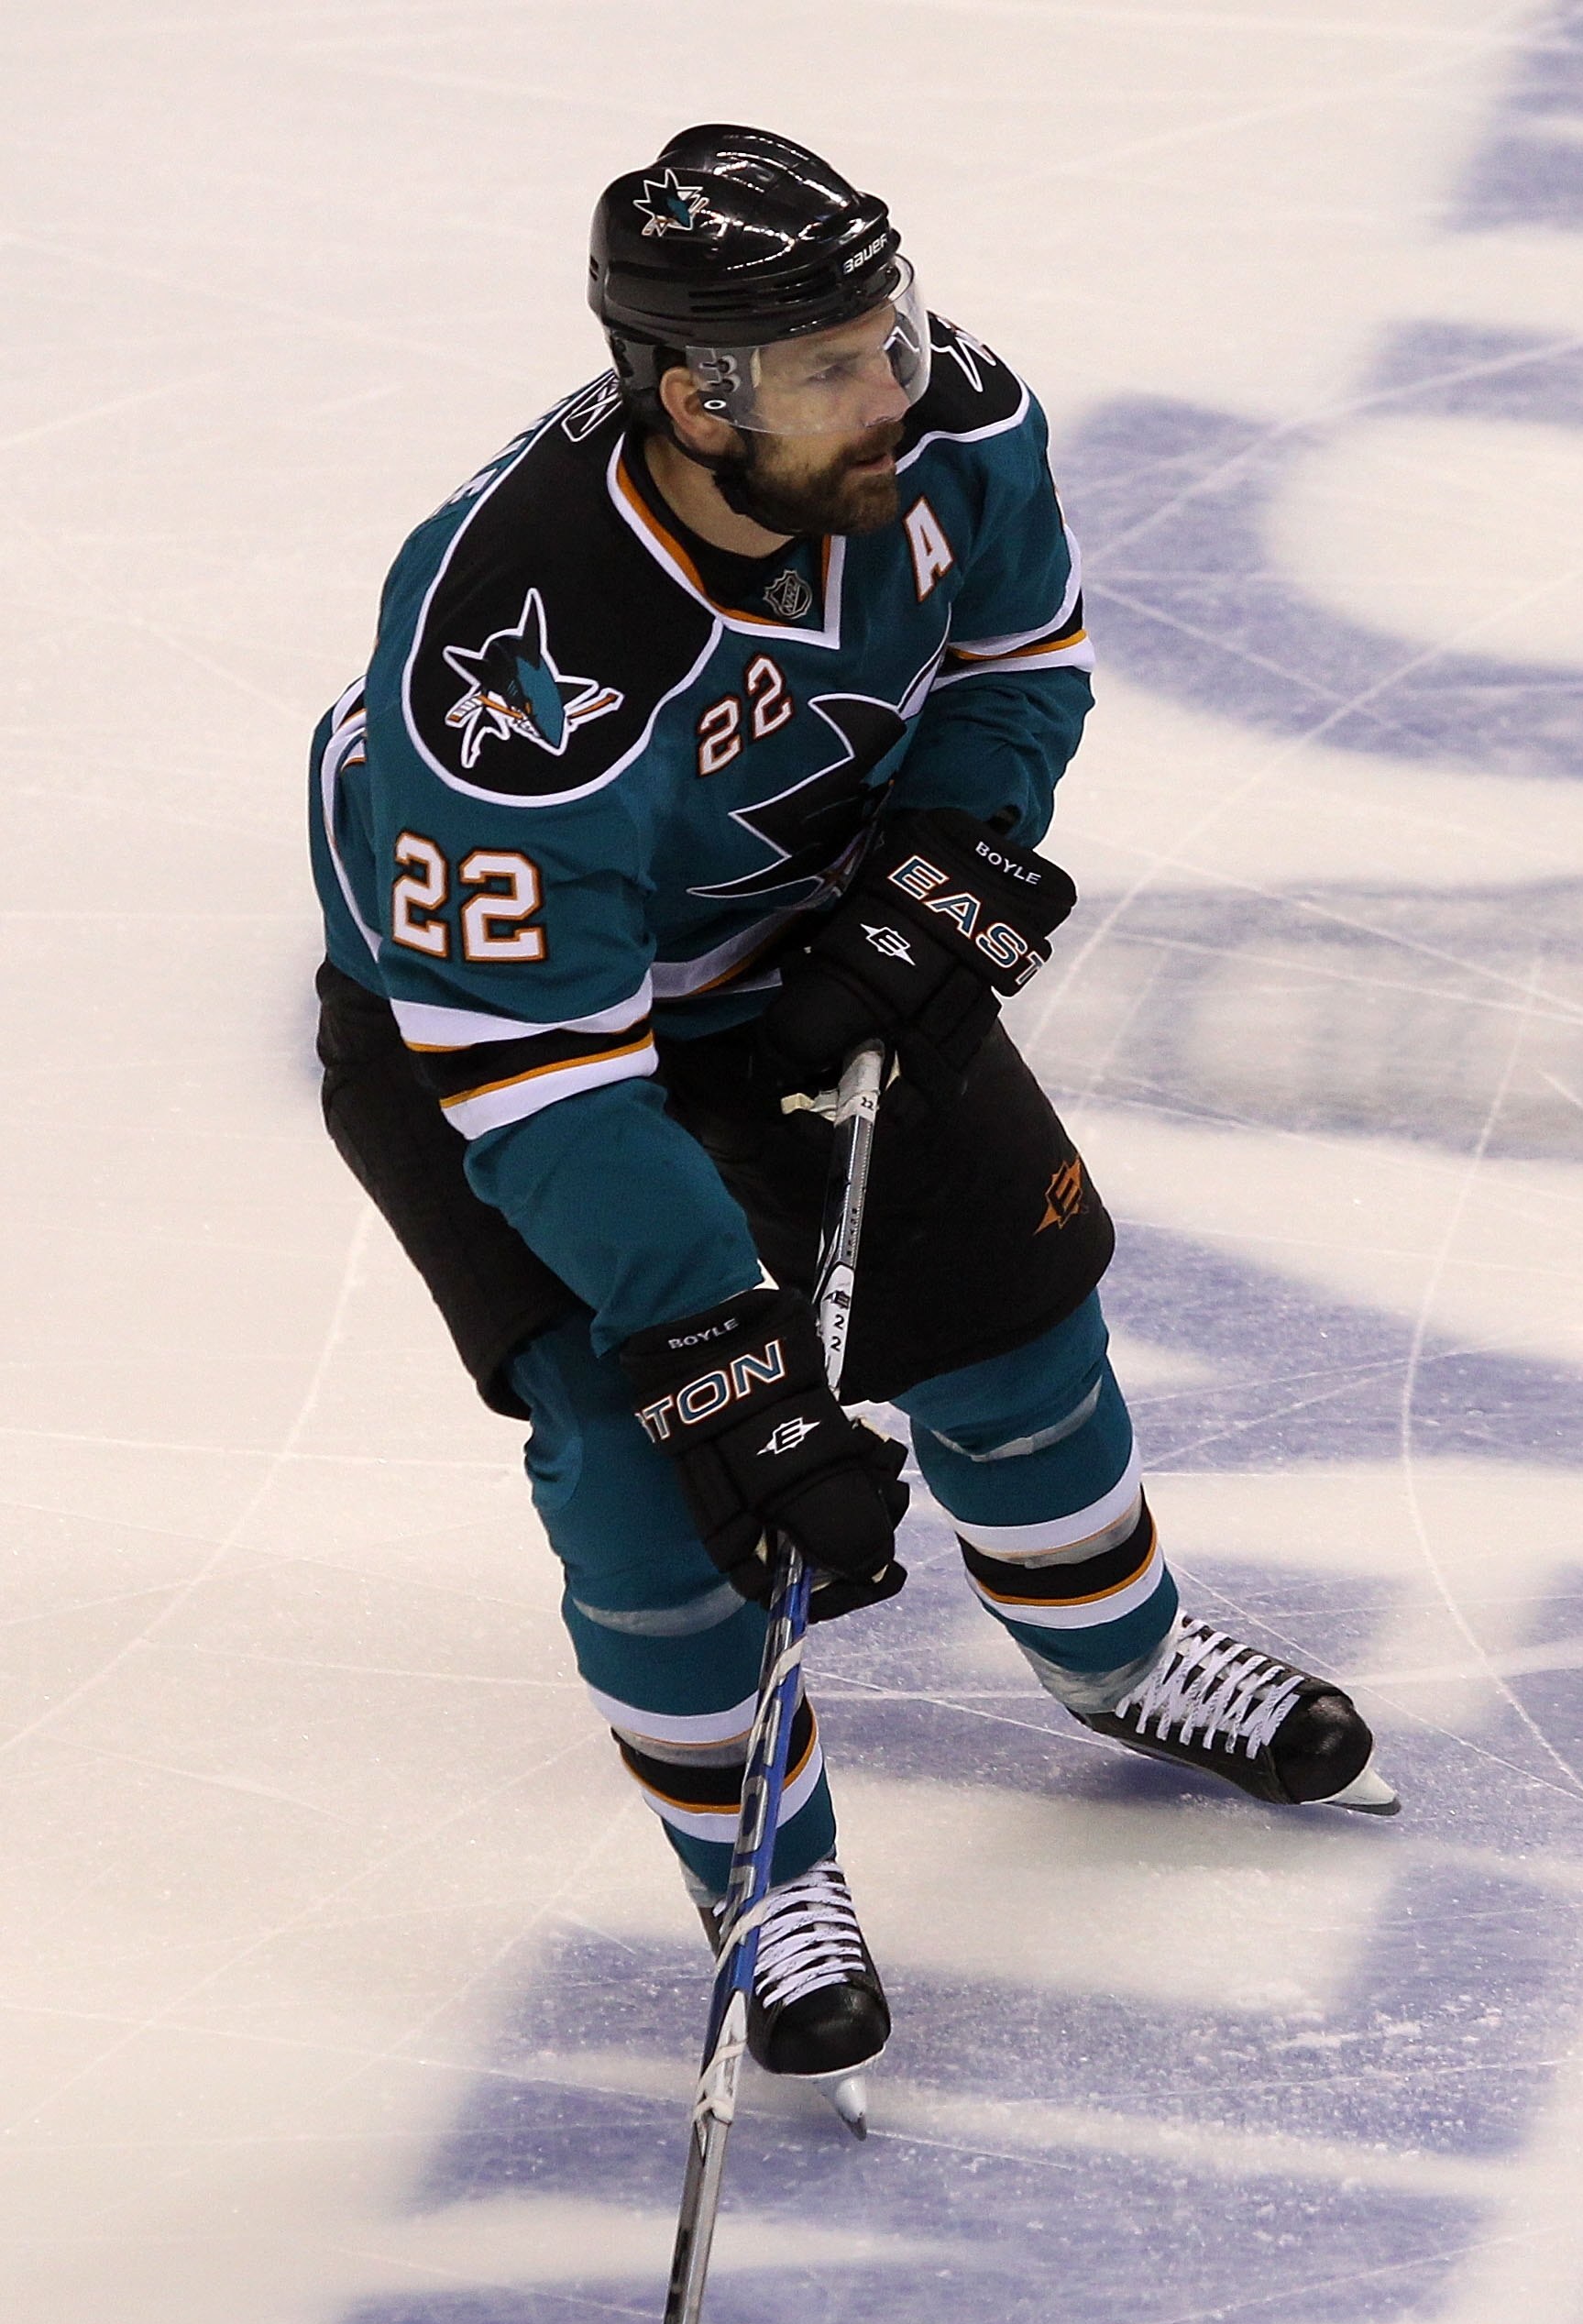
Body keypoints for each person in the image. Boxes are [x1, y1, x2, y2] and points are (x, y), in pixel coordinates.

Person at [307, 125, 1382, 2102]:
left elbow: (1021, 656)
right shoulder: (513, 662)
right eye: (831, 366)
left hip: (811, 939)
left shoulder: (955, 426)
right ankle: (765, 1878)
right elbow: (539, 1078)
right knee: (661, 1485)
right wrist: (721, 1345)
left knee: (1016, 1312)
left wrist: (949, 847)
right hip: (525, 1043)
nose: (895, 385)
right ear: (689, 395)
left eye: (885, 332)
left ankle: (1114, 1645)